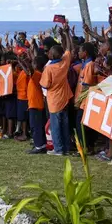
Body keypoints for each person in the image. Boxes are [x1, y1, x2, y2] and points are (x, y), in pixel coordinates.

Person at [40, 24, 73, 156]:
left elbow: (45, 85)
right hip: (64, 98)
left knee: (56, 126)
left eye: (50, 51)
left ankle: (58, 149)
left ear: (52, 55)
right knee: (65, 125)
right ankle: (65, 147)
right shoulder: (64, 63)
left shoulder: (49, 68)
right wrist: (66, 34)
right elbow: (69, 49)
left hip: (54, 101)